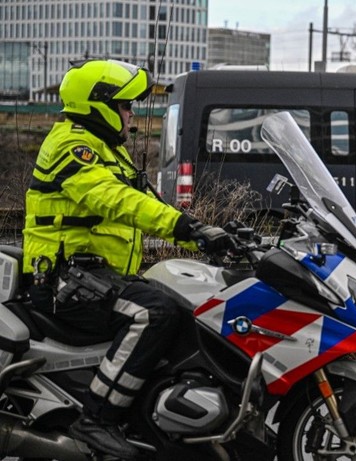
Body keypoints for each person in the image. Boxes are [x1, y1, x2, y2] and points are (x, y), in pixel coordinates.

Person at [23, 59, 234, 459]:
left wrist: (208, 238)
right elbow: (116, 200)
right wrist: (185, 229)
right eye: (125, 105)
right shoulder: (73, 146)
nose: (131, 113)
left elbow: (148, 206)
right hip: (66, 281)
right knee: (153, 313)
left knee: (187, 302)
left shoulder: (106, 150)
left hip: (97, 276)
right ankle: (96, 419)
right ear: (97, 104)